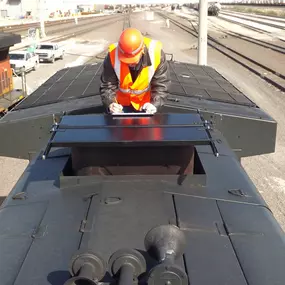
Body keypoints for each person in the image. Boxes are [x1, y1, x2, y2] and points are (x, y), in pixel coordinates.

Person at [100, 28, 170, 114]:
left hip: (146, 106)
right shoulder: (112, 55)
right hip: (121, 106)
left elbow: (161, 84)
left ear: (142, 50)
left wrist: (154, 105)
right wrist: (110, 103)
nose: (130, 63)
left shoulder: (156, 54)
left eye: (133, 60)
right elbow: (107, 85)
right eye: (126, 60)